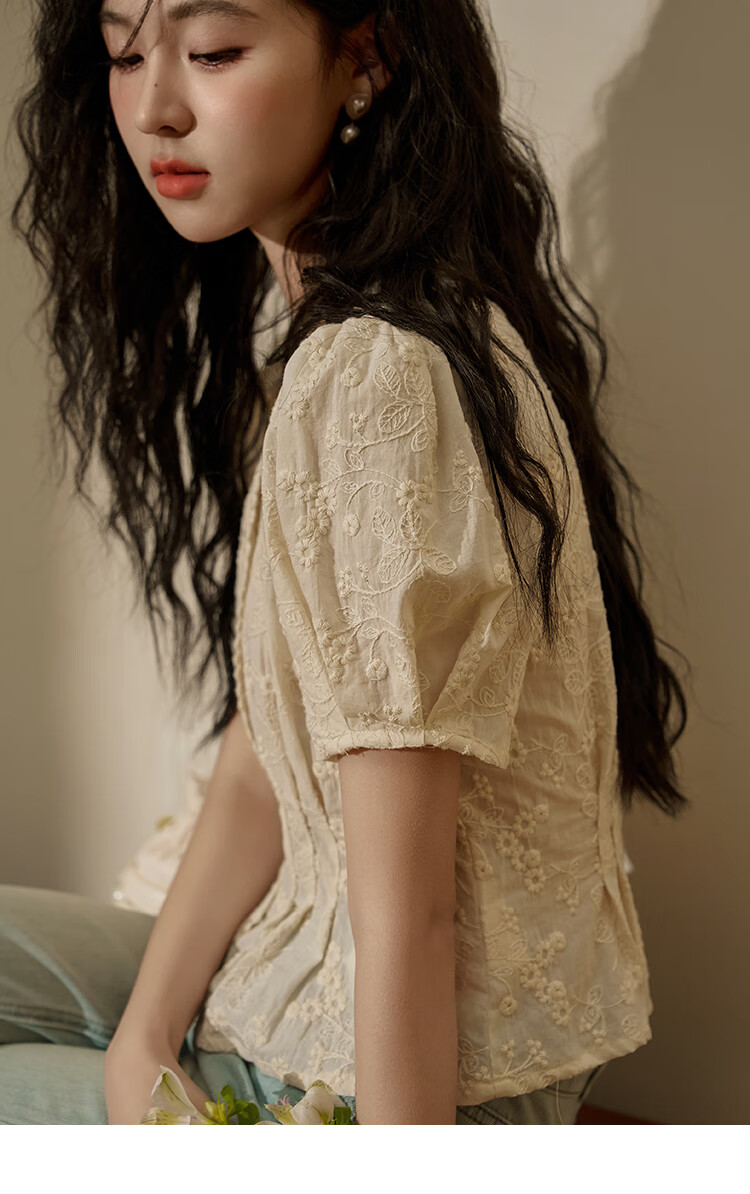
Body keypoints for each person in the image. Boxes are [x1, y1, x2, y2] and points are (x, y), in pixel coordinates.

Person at [2, 0, 690, 1125]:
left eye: (214, 51)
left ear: (364, 59)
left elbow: (411, 912)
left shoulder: (378, 382)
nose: (156, 107)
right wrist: (143, 1039)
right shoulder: (349, 343)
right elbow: (263, 754)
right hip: (308, 991)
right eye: (125, 51)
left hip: (397, 1081)